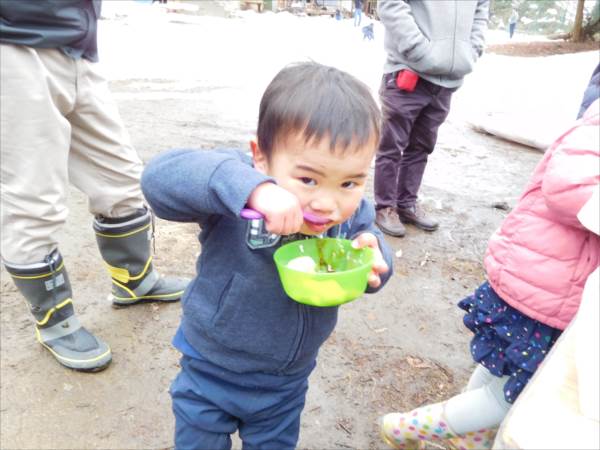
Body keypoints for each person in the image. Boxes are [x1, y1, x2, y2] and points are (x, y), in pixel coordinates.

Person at [141, 62, 393, 449]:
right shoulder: (236, 189)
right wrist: (253, 189)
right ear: (261, 156)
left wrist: (376, 260)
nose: (327, 203)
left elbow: (370, 242)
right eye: (308, 179)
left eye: (349, 181)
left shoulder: (351, 213)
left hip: (286, 380)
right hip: (210, 367)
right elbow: (159, 179)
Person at [379, 102, 600, 450]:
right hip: (544, 290)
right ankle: (408, 428)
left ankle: (467, 439)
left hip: (543, 282)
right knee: (517, 393)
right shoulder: (593, 132)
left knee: (499, 367)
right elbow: (566, 188)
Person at [0, 0, 188, 372]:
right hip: (13, 44)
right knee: (34, 199)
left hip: (76, 45)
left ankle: (134, 280)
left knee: (121, 178)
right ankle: (56, 323)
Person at [374, 1, 489, 237]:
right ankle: (385, 206)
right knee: (392, 145)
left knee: (422, 146)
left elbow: (481, 11)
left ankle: (407, 203)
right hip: (408, 72)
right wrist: (418, 49)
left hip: (447, 79)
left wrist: (471, 49)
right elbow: (390, 4)